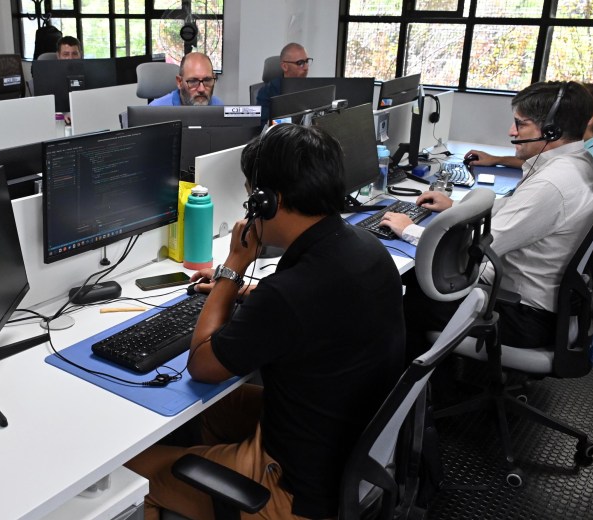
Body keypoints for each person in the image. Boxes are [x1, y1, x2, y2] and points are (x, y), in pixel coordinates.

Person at [125, 124, 406, 519]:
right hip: (344, 449)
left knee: (131, 478)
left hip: (293, 491)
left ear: (269, 202)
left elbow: (202, 363)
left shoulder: (290, 293)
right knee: (204, 414)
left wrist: (234, 265)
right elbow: (314, 307)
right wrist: (244, 292)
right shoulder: (364, 248)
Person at [381, 81, 593, 356]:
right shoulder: (577, 164)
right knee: (417, 283)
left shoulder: (551, 185)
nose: (511, 131)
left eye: (520, 124)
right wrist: (455, 207)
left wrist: (409, 229)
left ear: (552, 131)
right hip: (541, 299)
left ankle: (414, 379)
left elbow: (472, 251)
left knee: (397, 302)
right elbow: (514, 208)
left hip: (523, 313)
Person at [464, 82, 593, 168]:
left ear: (589, 119)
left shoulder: (588, 159)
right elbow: (538, 162)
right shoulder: (591, 147)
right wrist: (497, 159)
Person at [256, 43, 311, 126]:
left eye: (307, 61)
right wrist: (291, 122)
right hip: (283, 133)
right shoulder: (268, 92)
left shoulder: (313, 88)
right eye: (300, 63)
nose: (306, 67)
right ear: (285, 66)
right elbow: (263, 123)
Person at [149, 52, 224, 106]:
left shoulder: (219, 107)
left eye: (207, 80)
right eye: (193, 81)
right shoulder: (155, 112)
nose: (201, 89)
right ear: (179, 82)